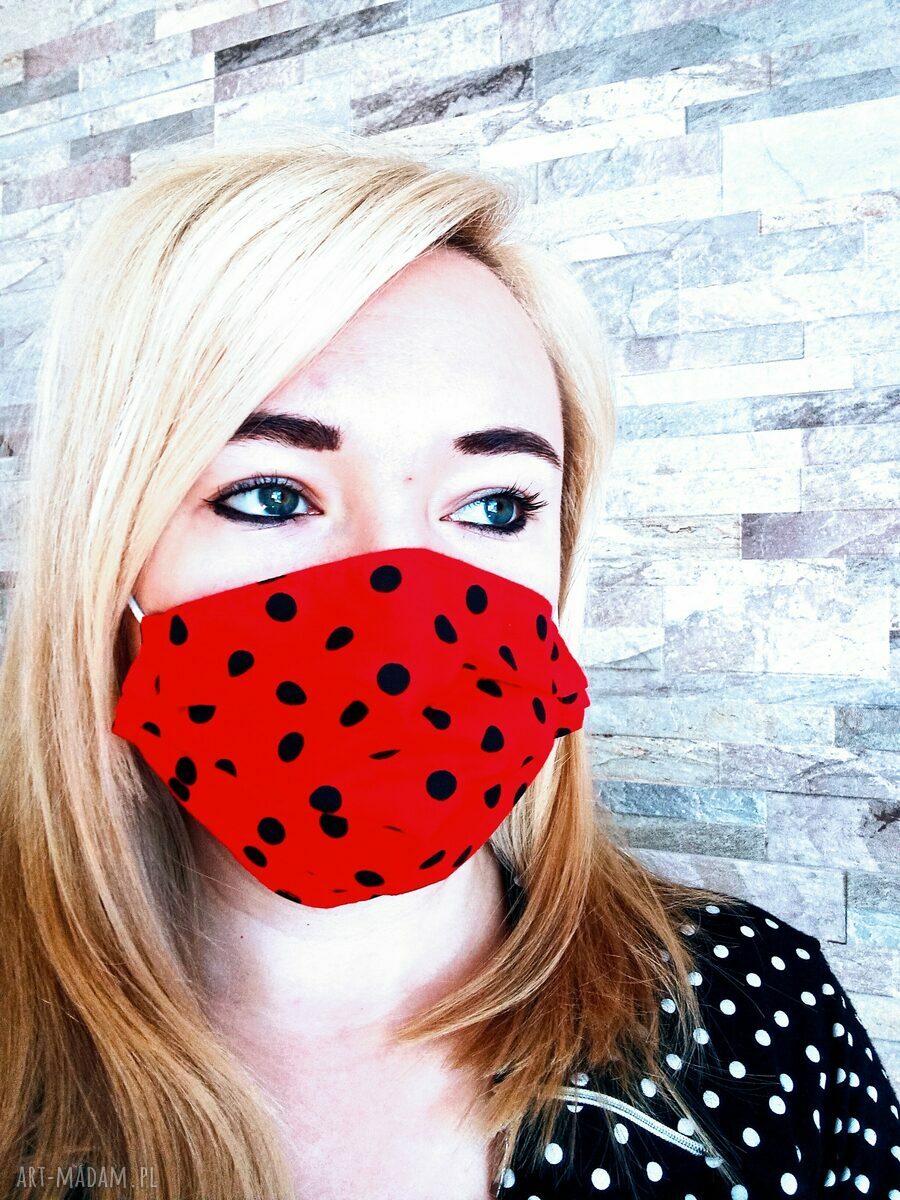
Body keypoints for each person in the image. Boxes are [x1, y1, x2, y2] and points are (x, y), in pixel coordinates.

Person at [0, 133, 897, 1200]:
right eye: (271, 495)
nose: (400, 600)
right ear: (109, 557)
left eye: (496, 507)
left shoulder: (762, 1011)